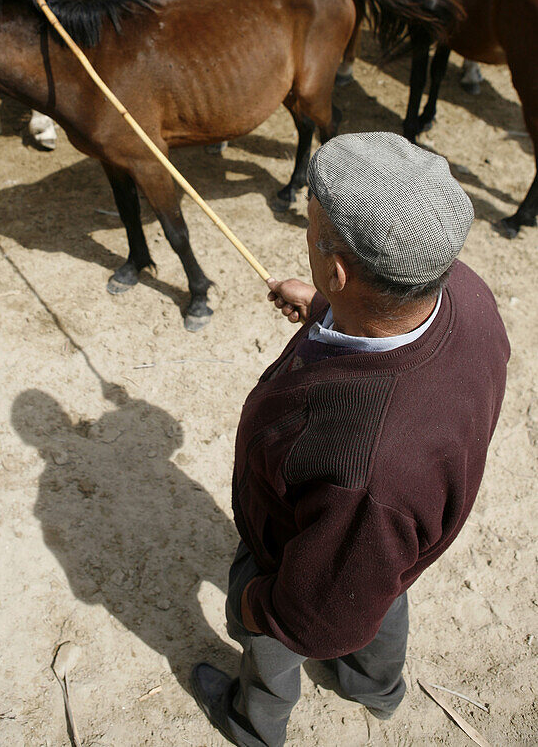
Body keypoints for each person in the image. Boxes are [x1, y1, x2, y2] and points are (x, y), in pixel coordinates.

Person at [191, 132, 509, 747]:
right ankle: (376, 689)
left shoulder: (369, 470)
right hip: (387, 548)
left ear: (338, 269)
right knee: (379, 588)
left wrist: (259, 606)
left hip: (301, 554)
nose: (307, 243)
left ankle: (252, 724)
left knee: (286, 634)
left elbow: (320, 616)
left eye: (312, 234)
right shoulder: (463, 290)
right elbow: (392, 315)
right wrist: (325, 306)